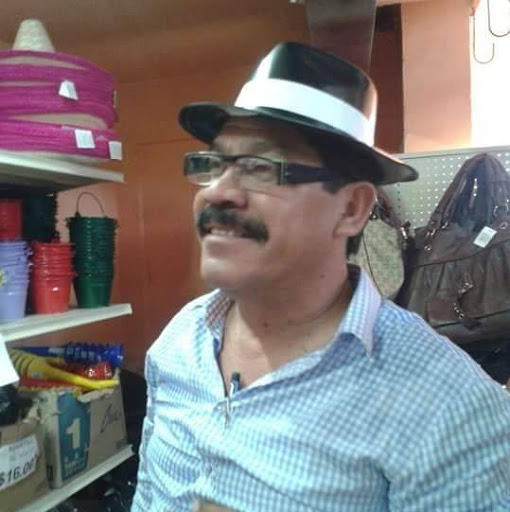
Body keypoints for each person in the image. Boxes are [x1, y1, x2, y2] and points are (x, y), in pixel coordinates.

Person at [131, 42, 510, 512]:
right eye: (214, 165)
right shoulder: (179, 341)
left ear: (351, 208)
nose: (217, 193)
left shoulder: (444, 403)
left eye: (260, 168)